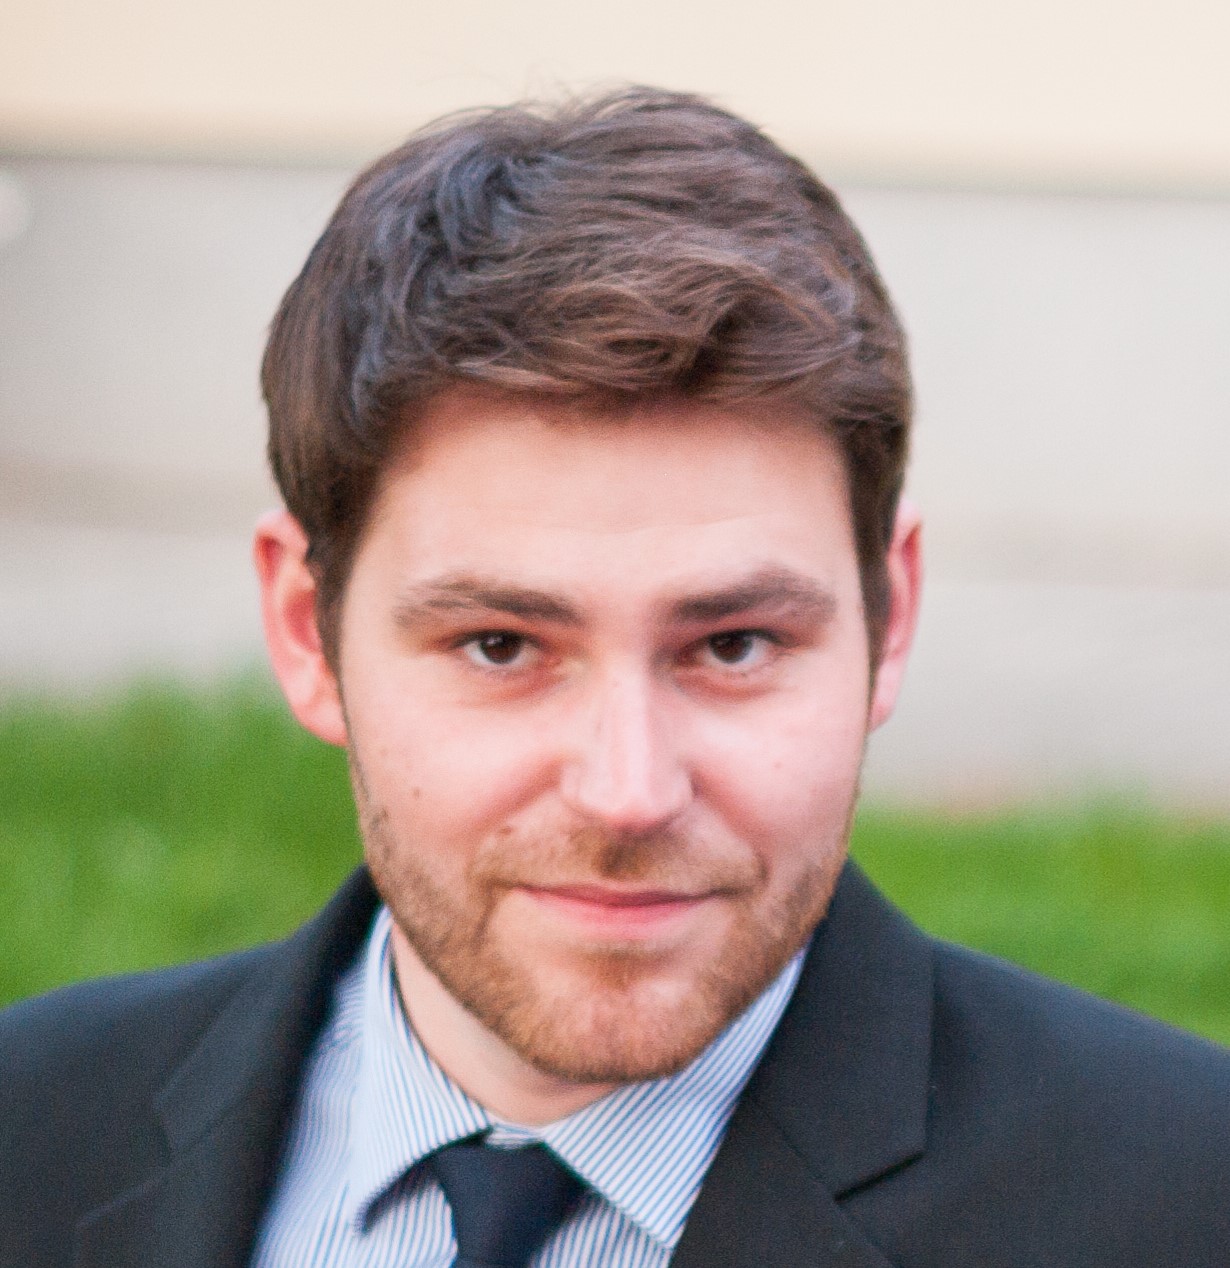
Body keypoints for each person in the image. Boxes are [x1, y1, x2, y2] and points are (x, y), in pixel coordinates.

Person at [2, 87, 1227, 1268]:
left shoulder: (1186, 1202)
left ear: (888, 618)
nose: (627, 792)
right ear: (303, 632)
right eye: (500, 645)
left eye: (734, 643)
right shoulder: (31, 1126)